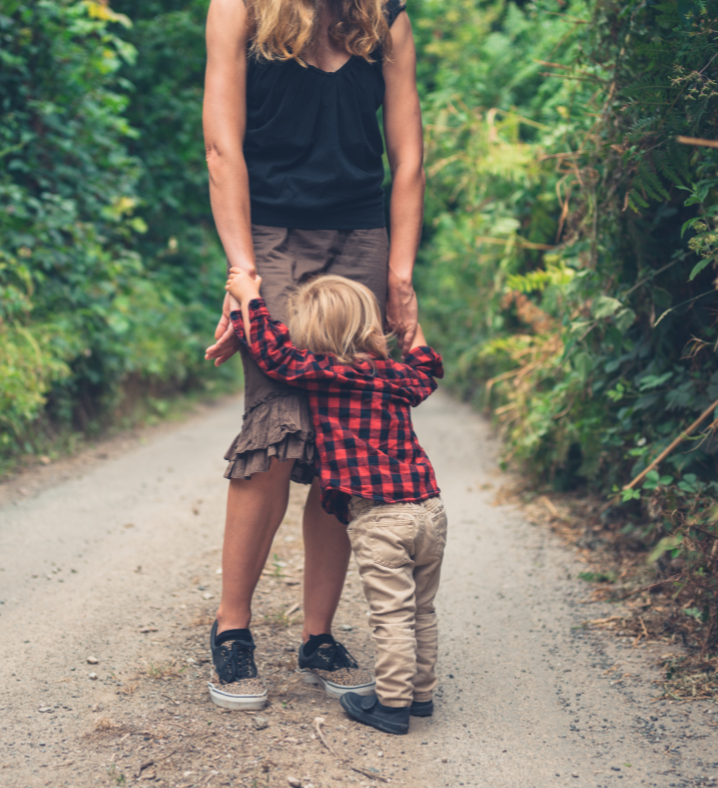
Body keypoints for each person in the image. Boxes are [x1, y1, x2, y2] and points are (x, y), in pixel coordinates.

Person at [202, 0, 426, 710]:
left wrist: (399, 274)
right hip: (271, 236)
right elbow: (221, 145)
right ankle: (232, 631)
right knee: (274, 429)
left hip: (360, 237)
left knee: (348, 435)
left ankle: (317, 637)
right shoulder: (236, 8)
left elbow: (409, 152)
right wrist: (241, 270)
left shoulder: (384, 14)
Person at [225, 268, 446, 735]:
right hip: (429, 510)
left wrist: (249, 298)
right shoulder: (395, 375)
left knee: (391, 616)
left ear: (313, 338)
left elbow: (273, 353)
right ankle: (421, 696)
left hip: (381, 518)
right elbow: (429, 370)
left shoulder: (322, 372)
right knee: (421, 610)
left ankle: (390, 705)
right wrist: (412, 329)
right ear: (371, 329)